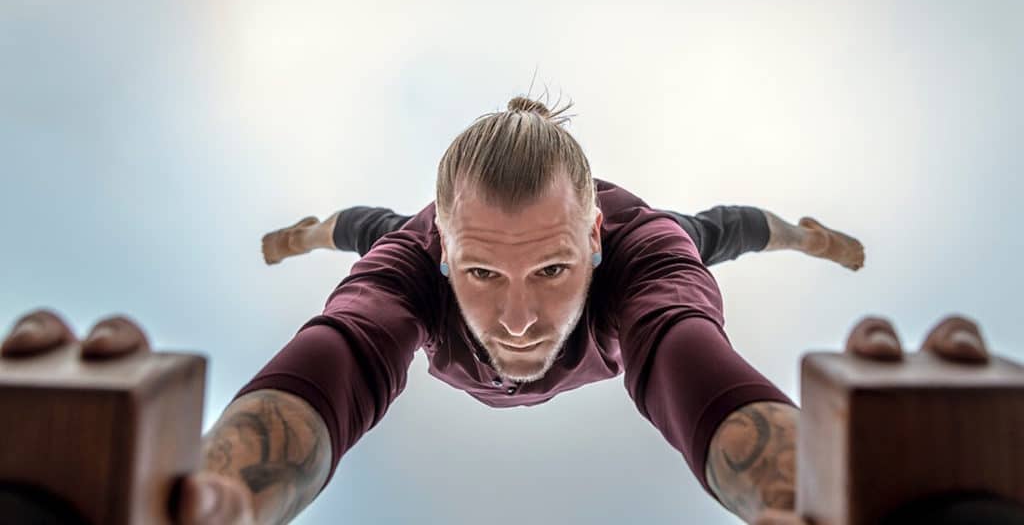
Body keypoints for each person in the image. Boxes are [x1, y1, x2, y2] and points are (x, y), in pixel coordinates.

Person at [21, 94, 985, 525]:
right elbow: (344, 350)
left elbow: (689, 353)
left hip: (681, 238)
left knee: (722, 232)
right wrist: (219, 499)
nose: (518, 320)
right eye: (482, 275)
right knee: (364, 241)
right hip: (390, 231)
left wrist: (803, 493)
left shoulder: (648, 246)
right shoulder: (408, 249)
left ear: (595, 244)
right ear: (444, 250)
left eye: (553, 271)